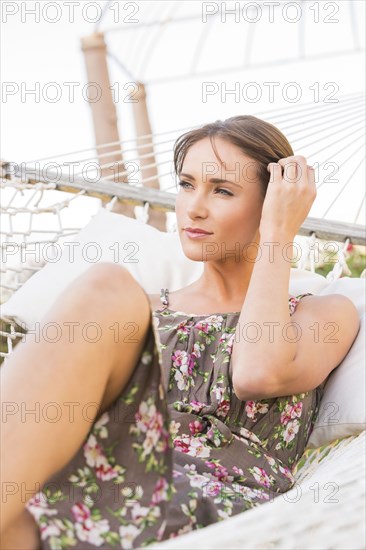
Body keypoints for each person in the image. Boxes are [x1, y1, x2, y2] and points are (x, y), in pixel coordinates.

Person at [1, 115, 360, 549]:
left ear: (272, 204)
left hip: (207, 500)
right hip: (83, 476)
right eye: (187, 184)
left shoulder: (320, 315)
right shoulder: (135, 308)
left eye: (222, 190)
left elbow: (257, 374)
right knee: (106, 285)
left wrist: (278, 234)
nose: (194, 207)